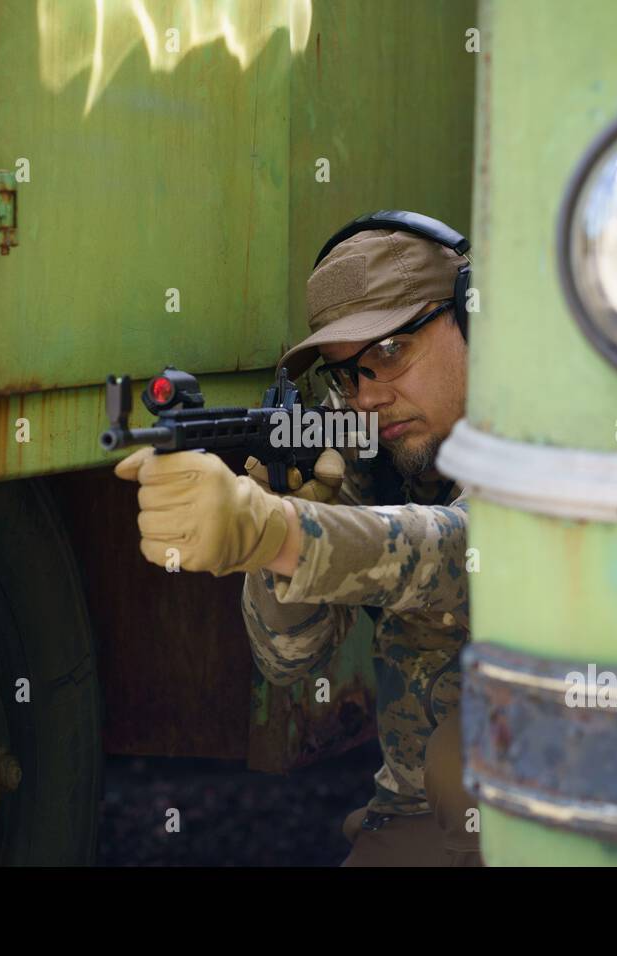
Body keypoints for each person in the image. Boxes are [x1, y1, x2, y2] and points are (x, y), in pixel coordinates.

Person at [115, 213, 481, 866]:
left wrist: (280, 532)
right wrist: (277, 541)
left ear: (470, 317)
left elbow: (463, 552)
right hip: (412, 812)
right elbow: (289, 661)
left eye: (392, 352)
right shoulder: (375, 452)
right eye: (347, 375)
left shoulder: (542, 427)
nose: (369, 396)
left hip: (560, 803)